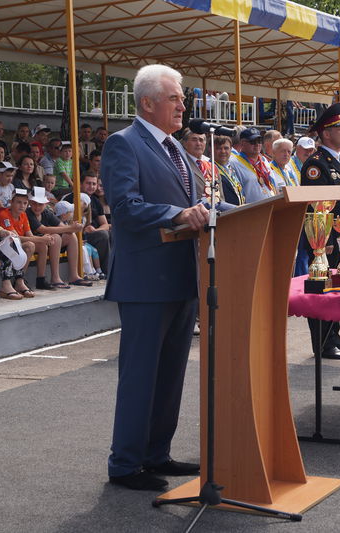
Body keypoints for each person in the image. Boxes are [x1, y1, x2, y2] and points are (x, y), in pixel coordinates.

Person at [102, 64, 211, 491]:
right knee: (141, 374)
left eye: (182, 97)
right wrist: (177, 213)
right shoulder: (123, 144)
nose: (183, 104)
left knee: (170, 374)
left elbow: (196, 200)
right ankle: (125, 463)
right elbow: (125, 208)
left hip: (183, 276)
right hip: (146, 280)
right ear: (147, 103)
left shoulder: (178, 150)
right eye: (175, 97)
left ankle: (155, 453)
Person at [300, 103, 340, 360]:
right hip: (326, 240)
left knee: (337, 289)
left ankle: (334, 336)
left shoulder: (339, 163)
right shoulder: (316, 164)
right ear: (326, 133)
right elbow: (317, 209)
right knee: (323, 290)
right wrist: (324, 241)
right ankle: (323, 344)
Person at [26, 187, 92, 288]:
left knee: (71, 236)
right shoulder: (28, 213)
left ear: (46, 204)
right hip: (35, 242)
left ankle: (74, 276)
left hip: (46, 243)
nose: (37, 207)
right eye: (34, 203)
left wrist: (74, 228)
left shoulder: (46, 212)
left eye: (40, 204)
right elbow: (43, 229)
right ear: (30, 202)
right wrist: (69, 227)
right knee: (56, 237)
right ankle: (55, 277)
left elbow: (62, 227)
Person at [0, 188, 59, 290]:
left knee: (42, 246)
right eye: (19, 202)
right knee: (30, 245)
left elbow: (29, 235)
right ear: (11, 202)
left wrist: (43, 240)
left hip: (18, 244)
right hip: (6, 246)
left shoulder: (23, 215)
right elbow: (15, 238)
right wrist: (42, 239)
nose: (22, 206)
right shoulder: (4, 215)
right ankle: (19, 280)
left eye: (25, 203)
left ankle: (40, 279)